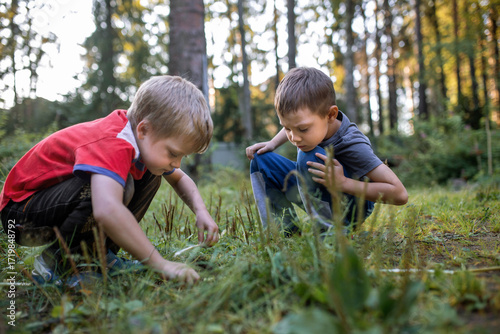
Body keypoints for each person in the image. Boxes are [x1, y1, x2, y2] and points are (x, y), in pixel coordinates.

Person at [0, 75, 219, 286]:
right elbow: (107, 209)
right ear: (144, 129)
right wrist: (159, 263)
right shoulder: (114, 142)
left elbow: (180, 178)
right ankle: (56, 262)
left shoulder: (142, 142)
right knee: (113, 189)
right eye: (173, 153)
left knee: (153, 174)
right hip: (21, 215)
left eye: (182, 156)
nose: (177, 163)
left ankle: (100, 255)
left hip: (51, 208)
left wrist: (201, 210)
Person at [246, 67, 408, 236]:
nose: (294, 137)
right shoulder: (311, 126)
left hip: (351, 207)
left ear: (331, 115)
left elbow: (400, 194)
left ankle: (331, 233)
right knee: (261, 159)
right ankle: (284, 233)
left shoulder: (353, 144)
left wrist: (344, 183)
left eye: (303, 129)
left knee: (309, 156)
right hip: (318, 191)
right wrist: (272, 143)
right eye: (287, 128)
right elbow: (295, 125)